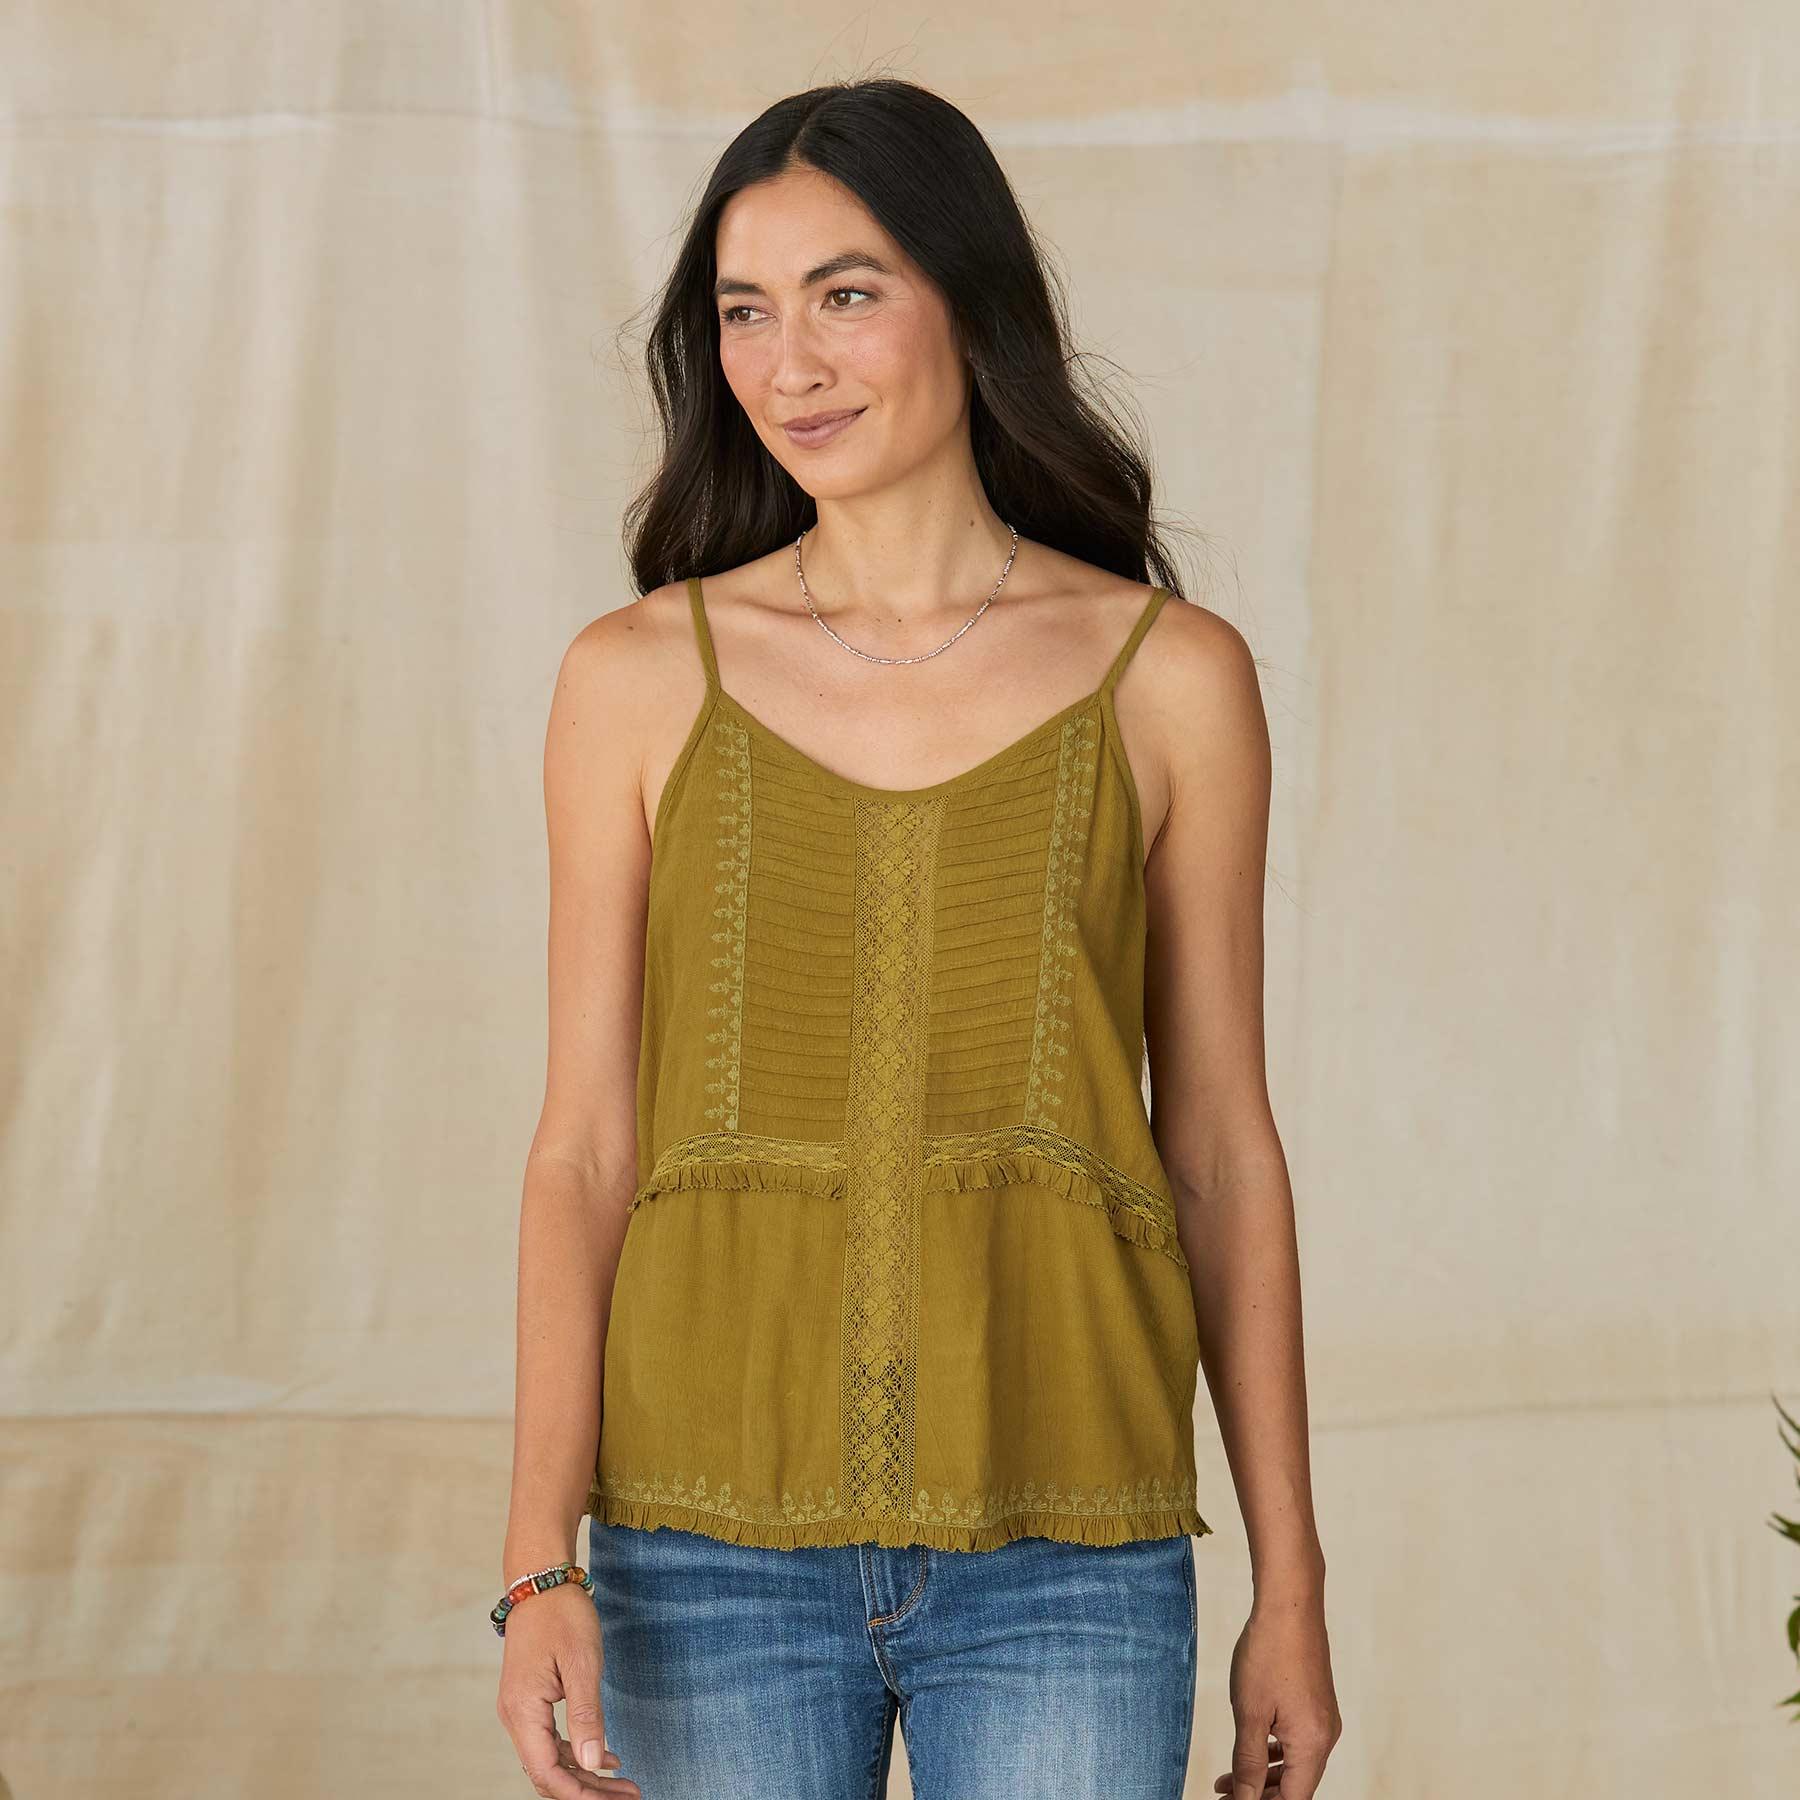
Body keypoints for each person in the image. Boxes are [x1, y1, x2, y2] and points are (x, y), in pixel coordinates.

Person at [493, 76, 1339, 1800]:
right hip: (701, 1550)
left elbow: (1220, 1153)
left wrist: (1293, 1585)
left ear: (972, 301)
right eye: (745, 311)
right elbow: (584, 1147)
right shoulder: (635, 677)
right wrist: (537, 1564)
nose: (788, 363)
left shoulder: (1172, 677)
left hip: (1069, 1546)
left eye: (846, 294)